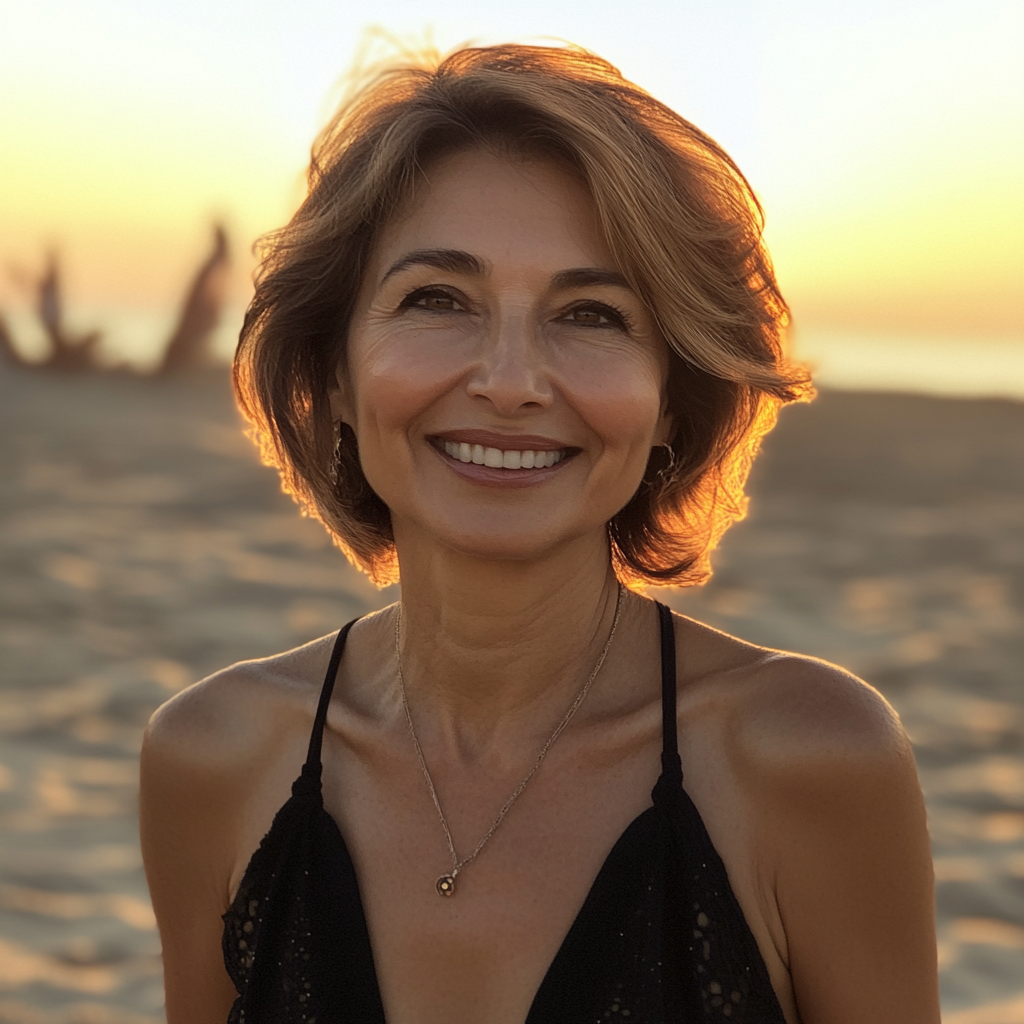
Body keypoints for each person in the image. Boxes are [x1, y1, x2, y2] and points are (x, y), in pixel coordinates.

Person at [139, 43, 940, 1024]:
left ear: (669, 407)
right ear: (336, 373)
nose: (510, 381)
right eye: (437, 299)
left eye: (591, 314)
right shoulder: (210, 756)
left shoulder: (810, 758)